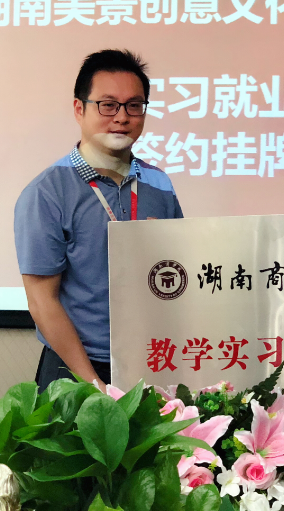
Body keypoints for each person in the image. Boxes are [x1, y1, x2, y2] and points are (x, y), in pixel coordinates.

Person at [14, 49, 183, 392]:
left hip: (149, 362)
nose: (122, 117)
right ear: (79, 109)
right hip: (74, 370)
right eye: (108, 105)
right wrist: (93, 382)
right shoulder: (48, 191)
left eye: (134, 105)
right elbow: (42, 301)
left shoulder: (159, 184)